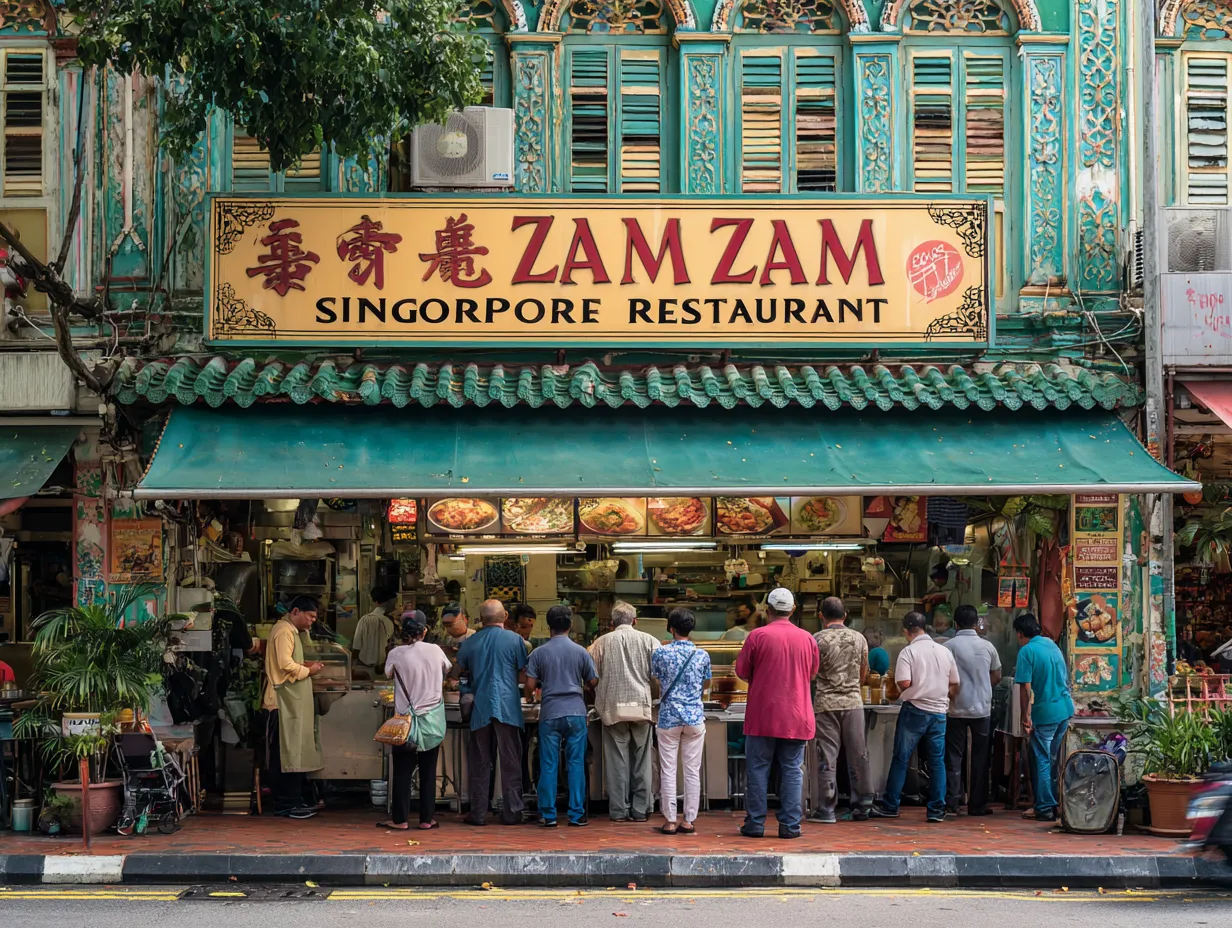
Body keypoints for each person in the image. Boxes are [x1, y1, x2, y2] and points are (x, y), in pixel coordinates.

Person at [734, 588, 819, 839]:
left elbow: (742, 671)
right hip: (797, 714)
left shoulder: (756, 636)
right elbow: (812, 674)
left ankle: (756, 824)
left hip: (763, 715)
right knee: (792, 769)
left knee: (758, 769)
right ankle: (791, 826)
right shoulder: (807, 638)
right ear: (792, 610)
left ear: (766, 610)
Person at [871, 611, 959, 823]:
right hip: (939, 713)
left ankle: (891, 805)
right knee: (937, 761)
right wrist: (940, 695)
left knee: (901, 758)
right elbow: (955, 683)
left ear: (906, 631)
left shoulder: (908, 652)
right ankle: (936, 809)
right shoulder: (944, 651)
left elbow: (904, 683)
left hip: (915, 710)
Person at [453, 599, 529, 826]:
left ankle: (477, 813)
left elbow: (457, 672)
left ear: (480, 619)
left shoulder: (470, 642)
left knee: (480, 761)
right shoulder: (516, 640)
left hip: (481, 706)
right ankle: (513, 811)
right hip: (508, 705)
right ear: (504, 616)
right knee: (510, 761)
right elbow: (523, 674)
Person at [526, 604, 598, 827]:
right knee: (575, 763)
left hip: (550, 712)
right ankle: (576, 815)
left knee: (549, 764)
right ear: (570, 625)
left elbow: (529, 684)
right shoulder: (581, 651)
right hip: (576, 712)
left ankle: (548, 815)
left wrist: (531, 696)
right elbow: (593, 681)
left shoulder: (539, 653)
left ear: (549, 627)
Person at [589, 600, 660, 822]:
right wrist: (653, 695)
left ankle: (619, 810)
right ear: (635, 621)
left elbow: (591, 678)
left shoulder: (599, 644)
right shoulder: (650, 641)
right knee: (642, 758)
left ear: (612, 623)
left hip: (613, 709)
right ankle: (640, 809)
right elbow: (659, 676)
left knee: (616, 760)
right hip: (641, 706)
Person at [380, 610, 450, 831]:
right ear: (425, 630)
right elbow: (446, 669)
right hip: (432, 720)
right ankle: (427, 819)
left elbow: (388, 674)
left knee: (402, 770)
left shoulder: (396, 653)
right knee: (429, 770)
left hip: (405, 723)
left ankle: (400, 820)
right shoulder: (436, 650)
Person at [810, 596, 872, 823]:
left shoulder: (816, 639)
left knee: (827, 754)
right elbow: (863, 673)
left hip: (825, 704)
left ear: (821, 616)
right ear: (845, 615)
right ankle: (863, 805)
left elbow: (812, 675)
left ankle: (826, 809)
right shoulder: (859, 638)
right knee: (858, 753)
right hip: (853, 703)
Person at [650, 607, 711, 835]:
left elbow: (656, 682)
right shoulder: (702, 655)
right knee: (692, 770)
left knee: (668, 769)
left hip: (668, 718)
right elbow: (705, 684)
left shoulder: (661, 653)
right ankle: (689, 820)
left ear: (671, 628)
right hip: (694, 717)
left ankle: (670, 820)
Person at [262, 596, 324, 818]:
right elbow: (284, 664)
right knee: (283, 755)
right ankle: (285, 804)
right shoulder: (284, 631)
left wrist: (304, 665)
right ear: (296, 611)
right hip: (280, 704)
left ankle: (293, 801)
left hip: (289, 703)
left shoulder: (291, 631)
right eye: (310, 617)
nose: (312, 622)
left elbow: (289, 662)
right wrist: (309, 670)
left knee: (292, 752)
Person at [1014, 612, 1075, 822]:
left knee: (1041, 758)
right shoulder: (1052, 644)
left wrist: (1025, 717)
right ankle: (1051, 802)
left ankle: (1044, 807)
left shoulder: (1027, 651)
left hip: (1046, 712)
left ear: (1021, 633)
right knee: (1052, 758)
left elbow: (1026, 689)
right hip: (1064, 710)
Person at [942, 604, 1002, 816]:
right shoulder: (987, 646)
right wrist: (983, 687)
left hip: (955, 708)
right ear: (977, 623)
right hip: (981, 709)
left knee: (953, 756)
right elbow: (996, 675)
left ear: (955, 624)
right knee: (980, 757)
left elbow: (944, 676)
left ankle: (952, 803)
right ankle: (977, 805)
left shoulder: (948, 646)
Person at [352, 585, 397, 672]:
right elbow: (389, 648)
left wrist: (352, 667)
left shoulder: (364, 620)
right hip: (382, 669)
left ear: (376, 602)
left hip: (363, 669)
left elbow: (356, 647)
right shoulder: (388, 622)